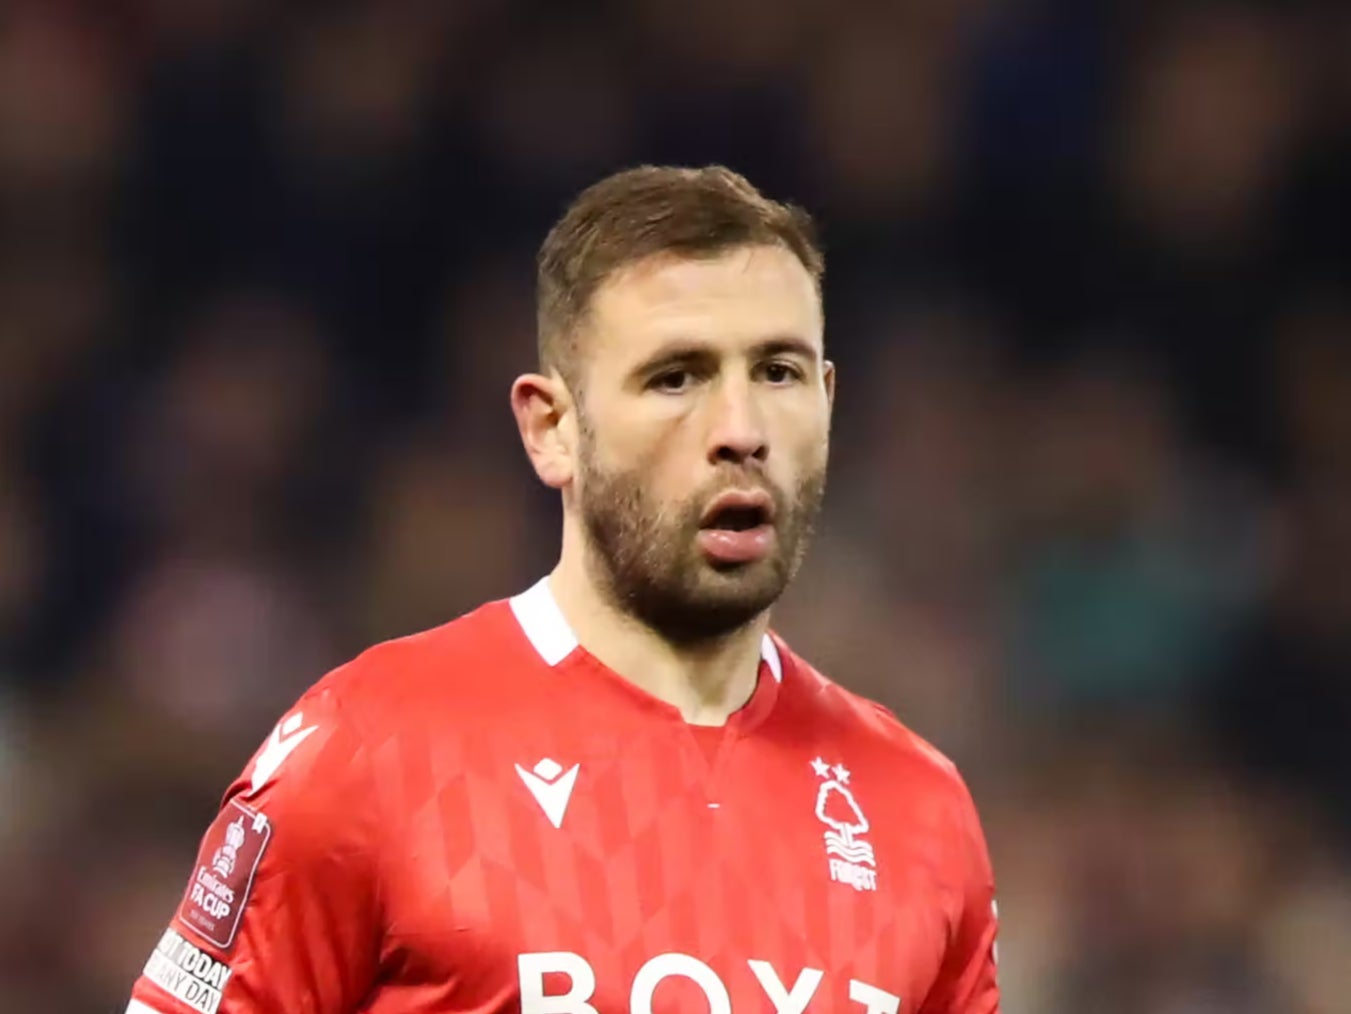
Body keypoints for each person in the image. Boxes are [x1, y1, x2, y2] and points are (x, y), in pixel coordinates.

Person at [125, 165, 1000, 1014]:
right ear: (553, 429)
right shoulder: (368, 752)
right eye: (676, 377)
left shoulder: (918, 811)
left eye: (777, 372)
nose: (741, 430)